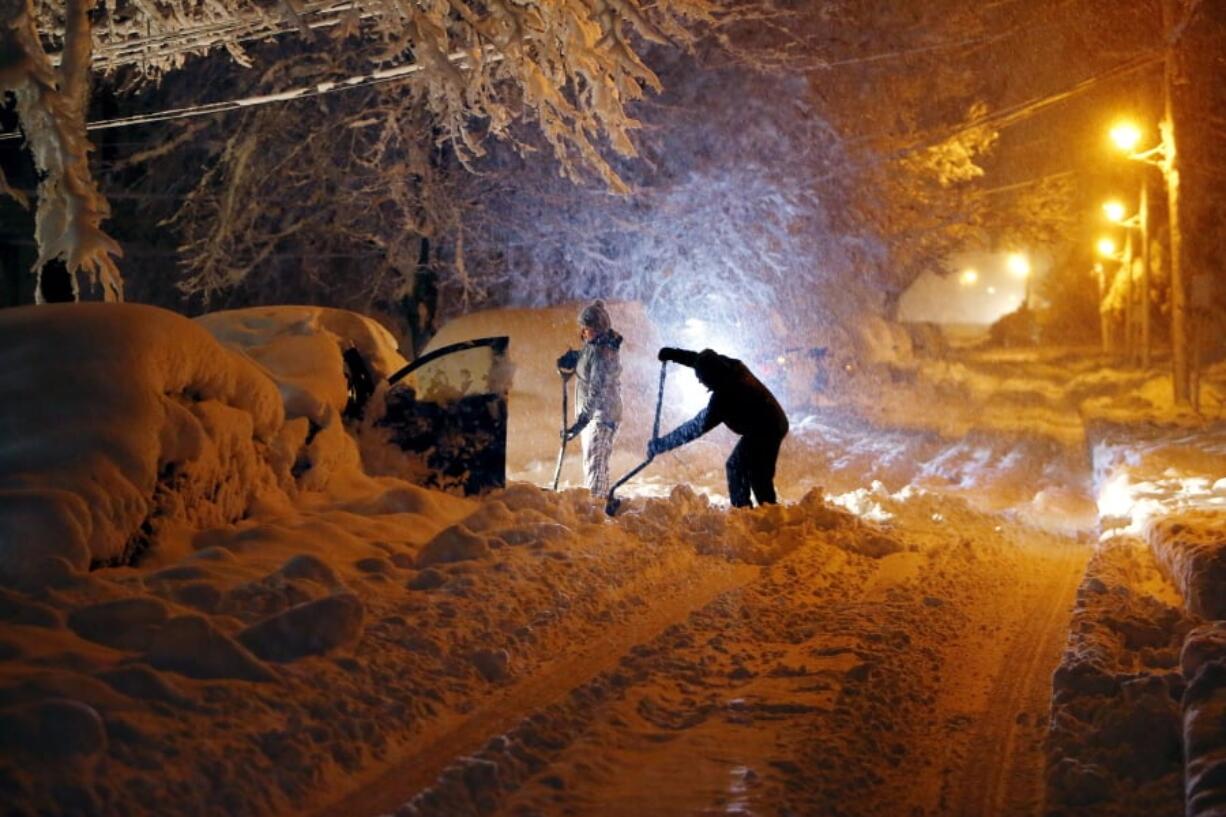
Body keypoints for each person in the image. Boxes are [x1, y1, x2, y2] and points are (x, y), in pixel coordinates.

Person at [649, 347, 788, 508]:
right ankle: (754, 512)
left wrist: (662, 445)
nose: (699, 381)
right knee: (746, 469)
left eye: (702, 378)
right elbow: (698, 359)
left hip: (768, 428)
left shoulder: (726, 395)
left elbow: (695, 428)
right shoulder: (727, 366)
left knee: (751, 473)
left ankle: (753, 513)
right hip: (765, 422)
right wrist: (673, 354)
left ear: (711, 377)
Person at [556, 301, 623, 496]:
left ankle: (597, 507)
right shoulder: (594, 346)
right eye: (583, 328)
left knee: (596, 463)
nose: (584, 333)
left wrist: (582, 421)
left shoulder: (603, 353)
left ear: (599, 330)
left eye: (588, 329)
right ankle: (598, 501)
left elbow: (597, 390)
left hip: (603, 416)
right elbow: (588, 358)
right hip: (595, 415)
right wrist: (575, 357)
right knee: (594, 461)